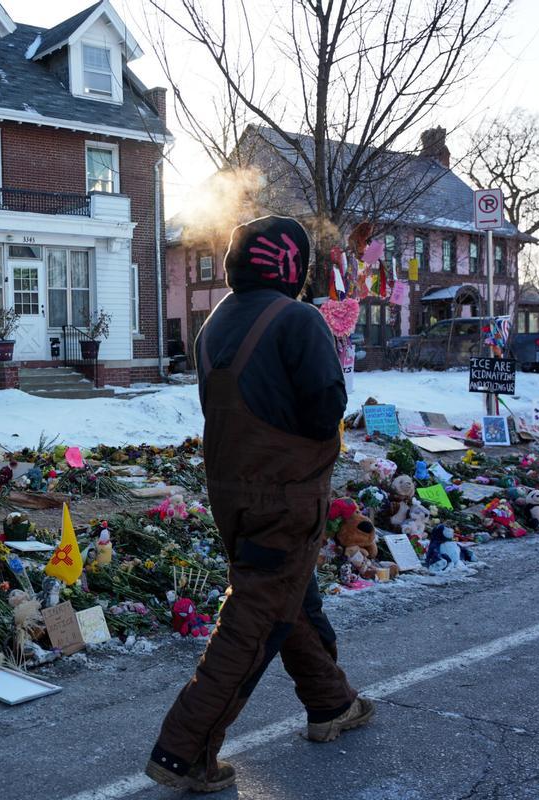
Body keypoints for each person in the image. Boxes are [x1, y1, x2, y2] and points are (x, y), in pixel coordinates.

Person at [145, 215, 373, 793]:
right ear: (290, 265)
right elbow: (326, 408)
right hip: (285, 495)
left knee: (286, 598)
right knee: (252, 622)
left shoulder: (215, 322)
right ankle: (184, 751)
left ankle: (330, 704)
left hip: (230, 493)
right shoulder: (299, 319)